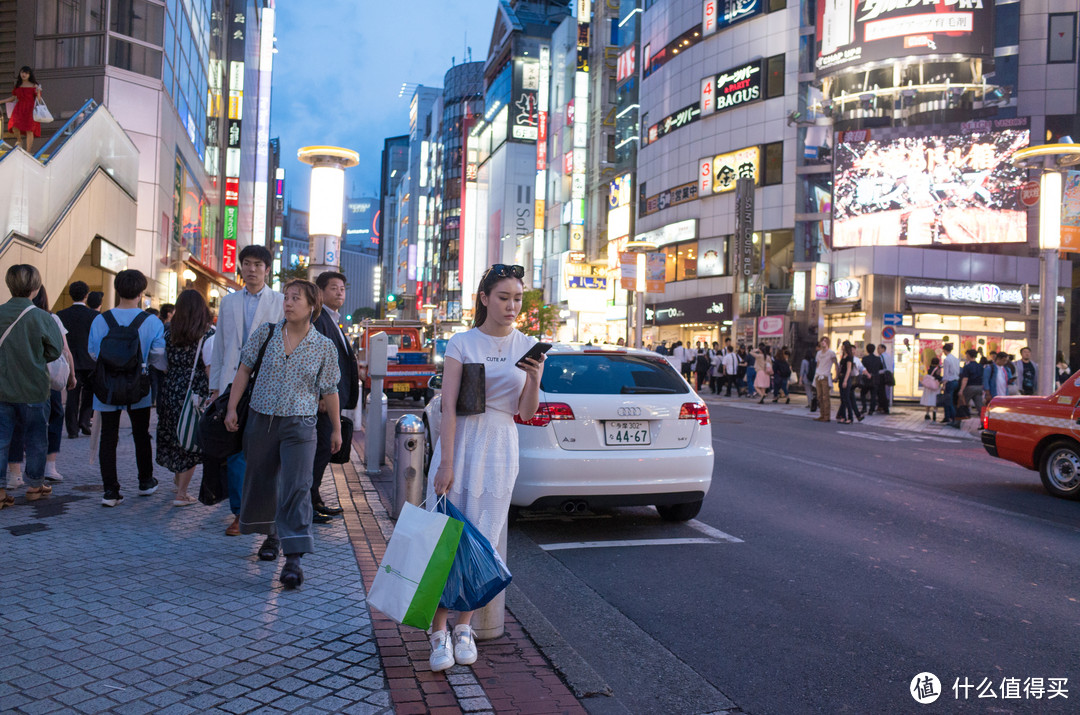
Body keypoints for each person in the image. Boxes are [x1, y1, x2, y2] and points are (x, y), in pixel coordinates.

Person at [426, 264, 544, 673]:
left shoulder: (528, 345)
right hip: (462, 445)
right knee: (447, 540)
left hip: (501, 448)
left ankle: (464, 627)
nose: (512, 306)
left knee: (483, 543)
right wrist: (446, 462)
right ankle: (438, 631)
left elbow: (525, 413)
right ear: (484, 299)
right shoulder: (463, 343)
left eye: (517, 298)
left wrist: (535, 378)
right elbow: (449, 405)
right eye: (503, 297)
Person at [224, 279, 340, 588]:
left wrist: (338, 428)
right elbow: (244, 370)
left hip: (300, 424)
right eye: (286, 297)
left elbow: (330, 390)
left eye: (295, 298)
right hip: (261, 420)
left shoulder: (323, 346)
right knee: (264, 479)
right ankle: (272, 536)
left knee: (298, 486)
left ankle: (294, 558)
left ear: (311, 306)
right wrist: (232, 408)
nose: (287, 303)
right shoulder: (266, 334)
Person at [209, 245, 284, 537]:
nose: (251, 269)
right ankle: (241, 514)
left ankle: (267, 513)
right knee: (234, 450)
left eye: (258, 265)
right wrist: (216, 387)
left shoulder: (280, 301)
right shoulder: (228, 303)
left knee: (266, 453)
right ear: (241, 267)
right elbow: (220, 347)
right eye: (247, 264)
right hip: (232, 384)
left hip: (268, 385)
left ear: (267, 269)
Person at [89, 270, 166, 507]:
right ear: (141, 292)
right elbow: (158, 355)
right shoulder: (151, 321)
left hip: (106, 386)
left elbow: (93, 353)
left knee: (108, 436)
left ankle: (110, 491)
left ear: (117, 290)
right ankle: (145, 481)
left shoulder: (101, 319)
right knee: (141, 434)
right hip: (138, 386)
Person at [0, 265, 63, 508]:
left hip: (2, 388)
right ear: (36, 288)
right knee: (37, 437)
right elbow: (55, 350)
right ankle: (35, 486)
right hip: (34, 387)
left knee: (2, 438)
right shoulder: (42, 317)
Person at [155, 290, 215, 506]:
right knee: (189, 439)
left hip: (171, 390)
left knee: (174, 435)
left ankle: (178, 481)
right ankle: (181, 493)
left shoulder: (168, 333)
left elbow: (161, 364)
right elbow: (210, 370)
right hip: (194, 395)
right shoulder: (208, 335)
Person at [309, 271, 359, 525]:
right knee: (319, 450)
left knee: (322, 451)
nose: (340, 292)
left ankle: (314, 500)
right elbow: (318, 360)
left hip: (330, 400)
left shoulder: (333, 320)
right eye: (333, 288)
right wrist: (320, 396)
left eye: (342, 288)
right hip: (322, 403)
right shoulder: (319, 320)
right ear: (320, 292)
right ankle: (309, 503)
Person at [57, 281, 97, 438]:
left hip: (70, 361)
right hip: (90, 361)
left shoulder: (61, 315)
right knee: (90, 393)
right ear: (86, 296)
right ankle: (85, 420)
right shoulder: (94, 316)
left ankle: (72, 430)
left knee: (72, 396)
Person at [0, 67, 43, 152]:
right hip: (19, 108)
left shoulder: (34, 86)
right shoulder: (18, 85)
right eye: (22, 72)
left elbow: (38, 100)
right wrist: (1, 101)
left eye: (26, 73)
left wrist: (38, 92)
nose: (24, 74)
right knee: (14, 125)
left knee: (29, 130)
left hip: (30, 109)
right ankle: (19, 140)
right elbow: (13, 98)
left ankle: (28, 151)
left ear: (29, 75)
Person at [836, 342, 862, 424]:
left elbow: (848, 370)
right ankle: (843, 417)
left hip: (846, 378)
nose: (842, 347)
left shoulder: (849, 357)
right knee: (843, 399)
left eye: (843, 346)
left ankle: (850, 417)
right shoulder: (843, 356)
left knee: (847, 399)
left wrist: (845, 380)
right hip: (841, 377)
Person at [814, 338, 837, 423]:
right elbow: (818, 364)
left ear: (828, 343)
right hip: (818, 375)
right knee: (819, 396)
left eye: (825, 341)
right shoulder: (818, 353)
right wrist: (815, 375)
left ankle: (827, 416)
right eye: (822, 341)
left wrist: (836, 375)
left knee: (825, 397)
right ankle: (822, 414)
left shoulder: (831, 353)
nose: (823, 342)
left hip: (825, 376)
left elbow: (836, 364)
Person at [958, 348, 984, 420]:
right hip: (979, 387)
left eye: (966, 355)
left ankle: (958, 421)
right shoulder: (980, 366)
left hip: (970, 387)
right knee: (980, 406)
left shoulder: (967, 367)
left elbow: (965, 379)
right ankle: (983, 422)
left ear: (969, 355)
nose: (966, 357)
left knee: (962, 403)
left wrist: (961, 390)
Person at [940, 342, 961, 427]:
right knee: (953, 401)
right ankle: (951, 418)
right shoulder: (956, 359)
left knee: (949, 402)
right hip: (956, 381)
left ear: (945, 350)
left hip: (950, 382)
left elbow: (946, 373)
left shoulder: (947, 359)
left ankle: (953, 419)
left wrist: (944, 384)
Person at [859, 344, 883, 415]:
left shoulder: (865, 359)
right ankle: (871, 410)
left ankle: (864, 408)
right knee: (873, 395)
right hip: (875, 379)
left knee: (863, 393)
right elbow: (881, 368)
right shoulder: (878, 359)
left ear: (867, 350)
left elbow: (862, 368)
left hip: (866, 379)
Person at [877, 343, 893, 414]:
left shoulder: (881, 357)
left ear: (883, 349)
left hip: (882, 375)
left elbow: (881, 367)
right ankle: (882, 407)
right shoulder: (889, 356)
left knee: (881, 392)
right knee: (886, 392)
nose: (878, 350)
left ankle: (884, 408)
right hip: (889, 375)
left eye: (879, 348)